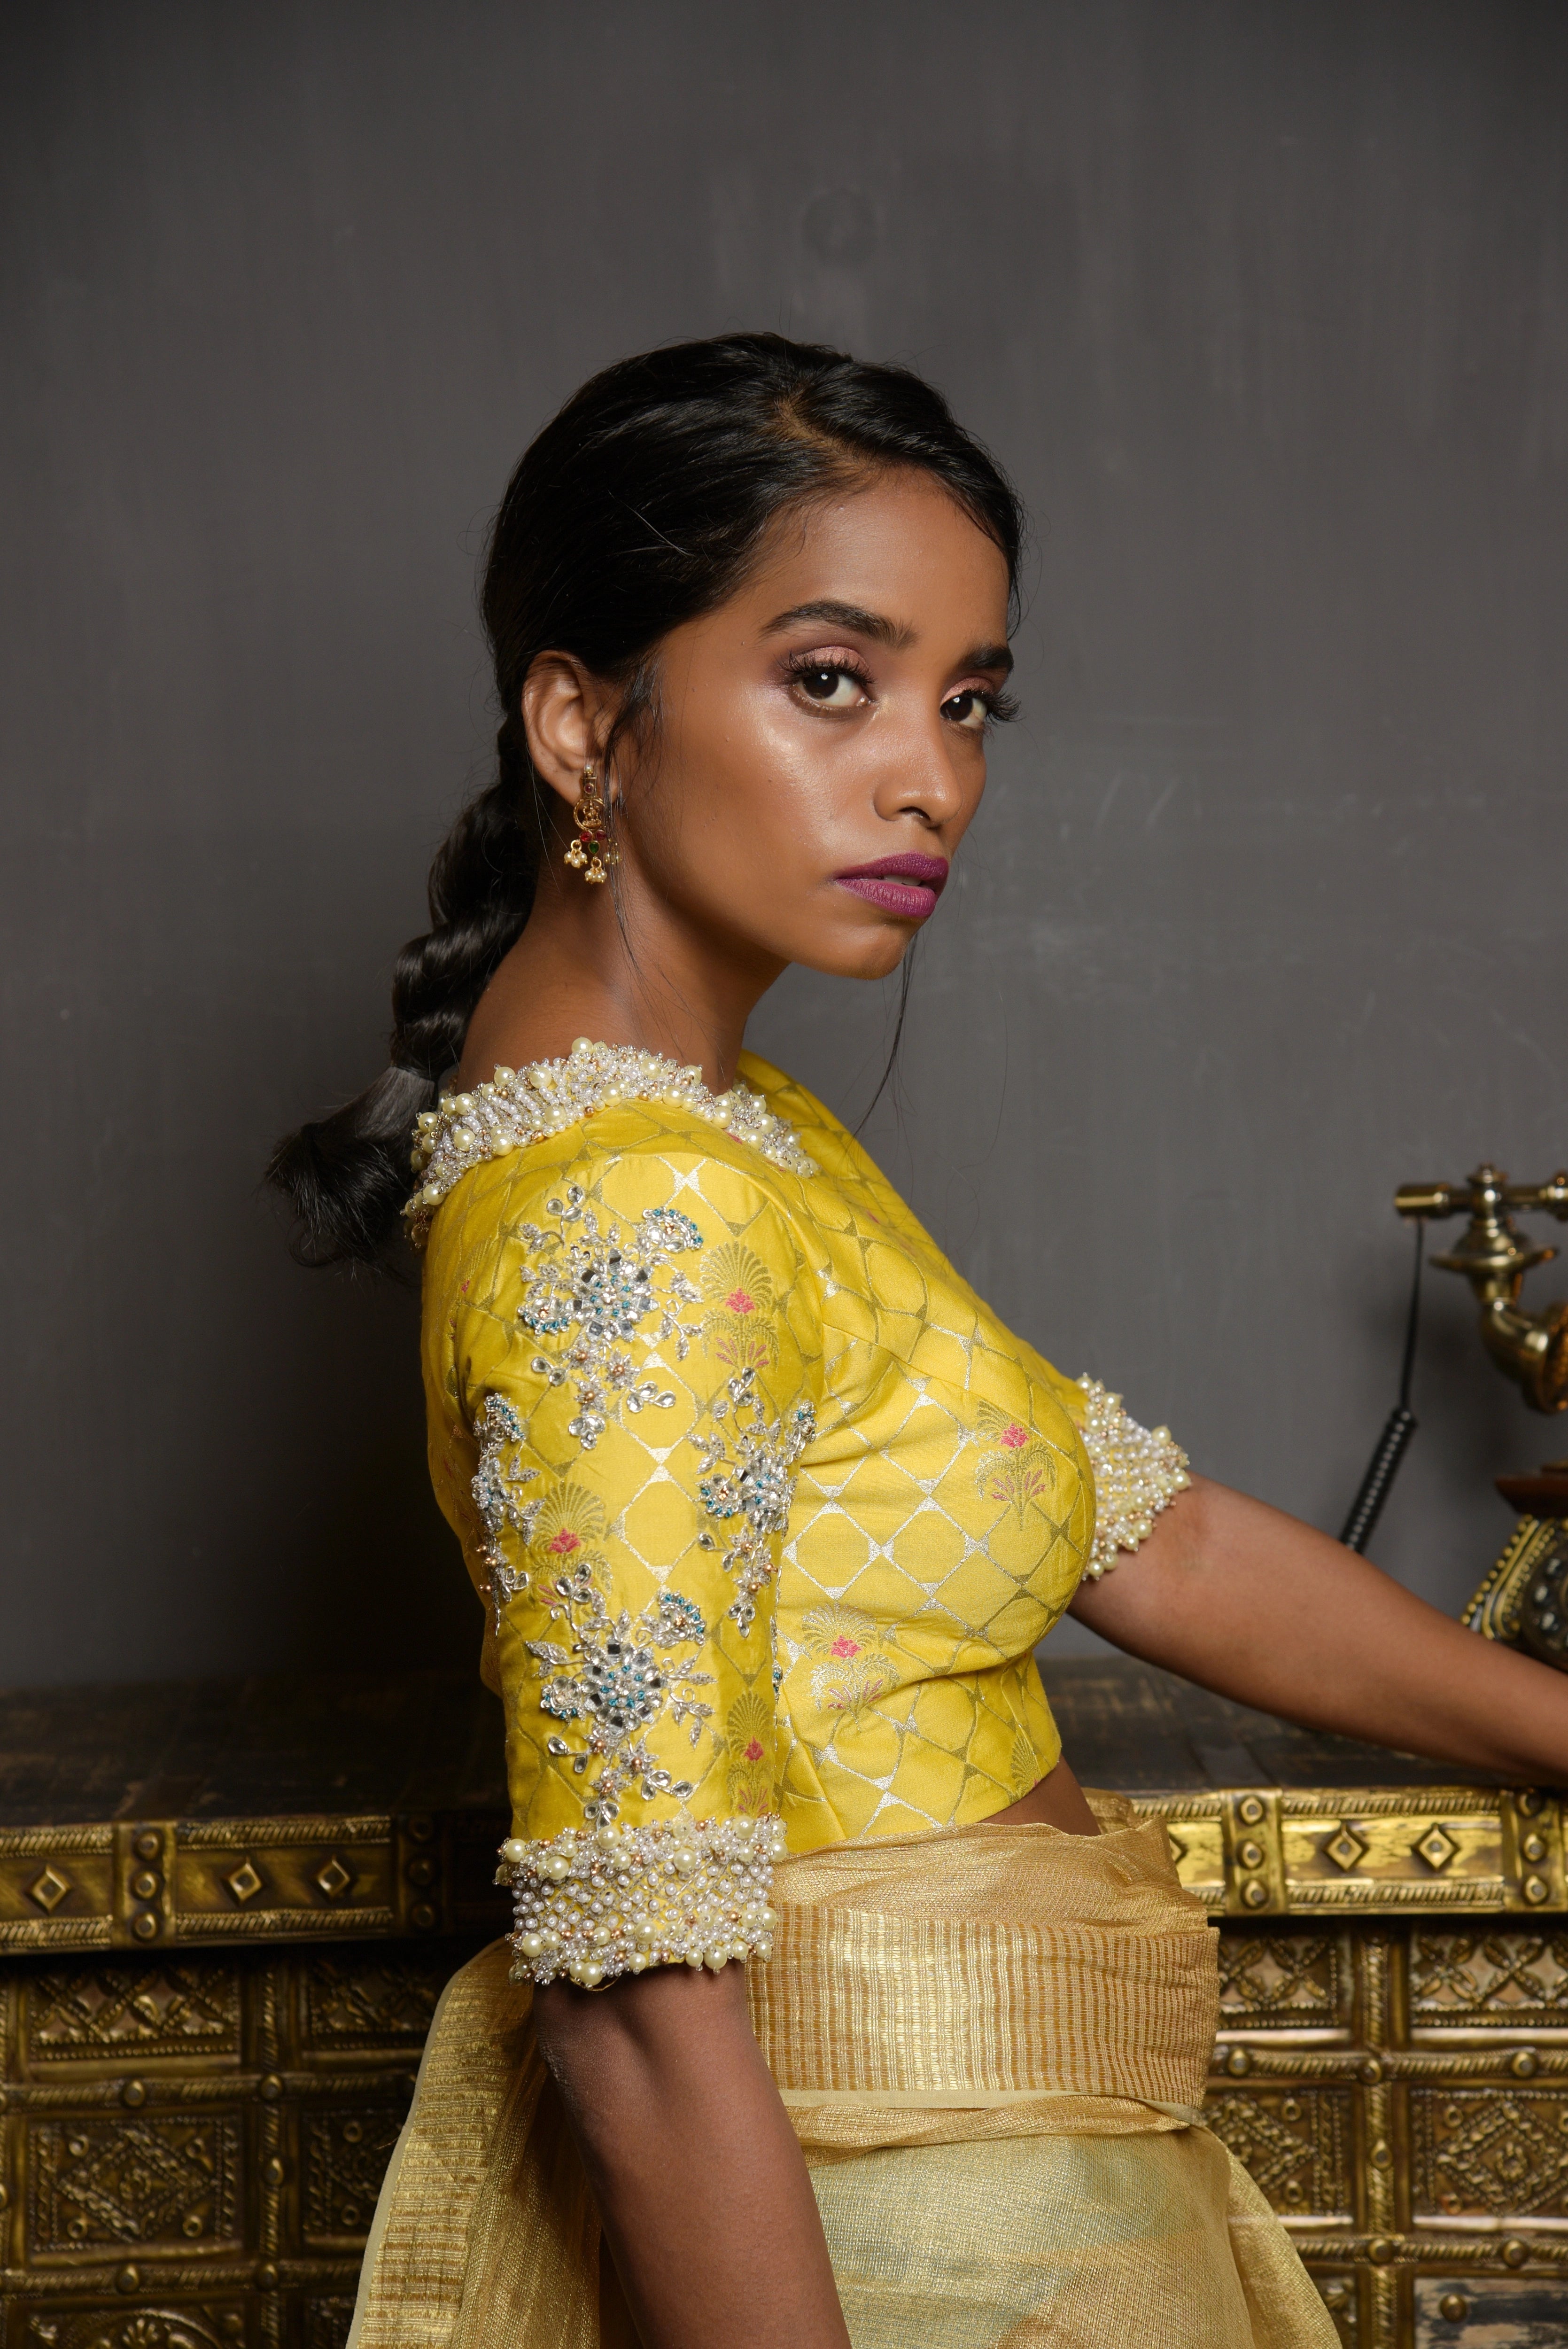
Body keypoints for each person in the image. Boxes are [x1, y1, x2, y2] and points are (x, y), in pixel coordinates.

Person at [270, 334, 1568, 2349]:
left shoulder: (741, 1135)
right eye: (830, 680)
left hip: (1022, 2194)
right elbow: (630, 1993)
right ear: (577, 721)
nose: (933, 774)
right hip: (897, 2251)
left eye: (969, 699)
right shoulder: (632, 1209)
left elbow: (1150, 1538)